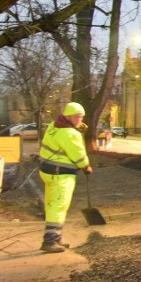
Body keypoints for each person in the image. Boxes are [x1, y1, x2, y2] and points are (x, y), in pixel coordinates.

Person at [38, 102, 93, 253]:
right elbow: (78, 154)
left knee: (51, 204)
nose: (79, 120)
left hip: (47, 171)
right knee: (59, 205)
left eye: (81, 117)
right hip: (60, 174)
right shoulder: (70, 134)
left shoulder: (53, 126)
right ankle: (49, 241)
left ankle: (56, 237)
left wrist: (77, 128)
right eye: (76, 117)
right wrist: (86, 167)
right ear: (68, 116)